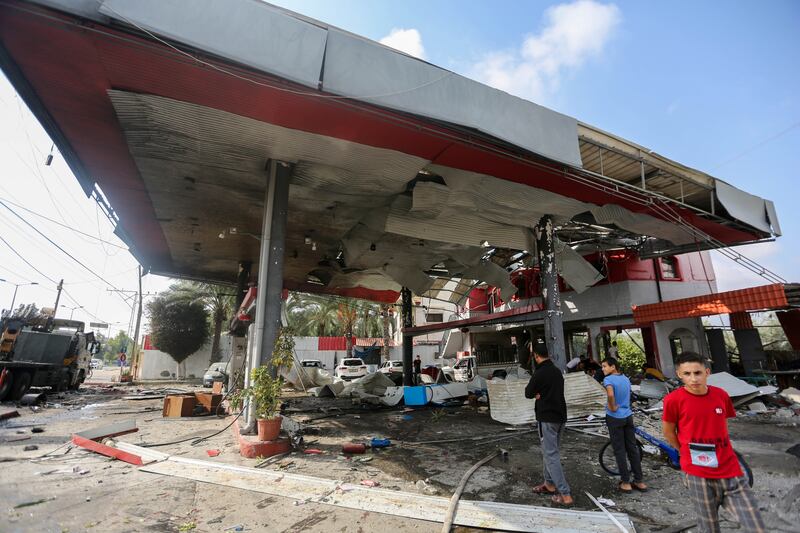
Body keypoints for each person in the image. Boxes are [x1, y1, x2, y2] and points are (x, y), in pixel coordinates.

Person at [662, 352, 765, 533]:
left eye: (698, 372)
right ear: (679, 375)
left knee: (755, 525)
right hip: (698, 474)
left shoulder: (721, 395)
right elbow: (669, 432)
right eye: (687, 374)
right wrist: (683, 451)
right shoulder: (673, 400)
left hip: (730, 471)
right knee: (709, 527)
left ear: (707, 372)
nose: (693, 378)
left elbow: (721, 425)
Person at [524, 342, 572, 506]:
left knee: (551, 455)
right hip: (560, 417)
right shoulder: (557, 371)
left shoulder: (540, 373)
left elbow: (528, 393)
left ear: (536, 356)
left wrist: (538, 394)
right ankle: (549, 484)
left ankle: (565, 494)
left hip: (547, 419)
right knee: (550, 452)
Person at [601, 357, 647, 493]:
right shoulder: (625, 378)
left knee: (619, 449)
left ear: (613, 366)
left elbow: (610, 394)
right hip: (628, 416)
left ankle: (626, 482)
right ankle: (639, 481)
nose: (603, 369)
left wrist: (612, 406)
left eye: (604, 366)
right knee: (632, 447)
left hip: (615, 418)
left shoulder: (608, 380)